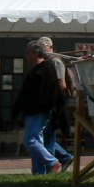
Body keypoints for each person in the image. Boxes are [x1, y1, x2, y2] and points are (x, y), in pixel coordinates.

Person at [12, 40, 65, 174]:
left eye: (28, 51)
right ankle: (39, 172)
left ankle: (52, 162)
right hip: (33, 111)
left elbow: (51, 92)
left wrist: (51, 109)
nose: (26, 54)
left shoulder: (46, 69)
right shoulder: (35, 70)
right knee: (37, 141)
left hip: (39, 111)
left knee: (30, 139)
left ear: (36, 52)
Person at [39, 36, 73, 171]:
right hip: (46, 104)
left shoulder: (56, 62)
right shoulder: (44, 62)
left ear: (50, 47)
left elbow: (62, 84)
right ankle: (64, 157)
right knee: (46, 136)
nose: (42, 49)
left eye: (44, 47)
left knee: (48, 136)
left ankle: (51, 166)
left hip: (53, 104)